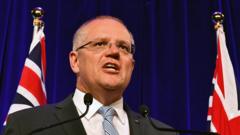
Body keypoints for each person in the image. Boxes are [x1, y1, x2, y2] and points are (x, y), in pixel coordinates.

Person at [3, 16, 176, 135]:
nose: (114, 52)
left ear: (131, 65)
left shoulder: (161, 132)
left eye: (123, 47)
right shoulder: (28, 126)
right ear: (75, 61)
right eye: (100, 44)